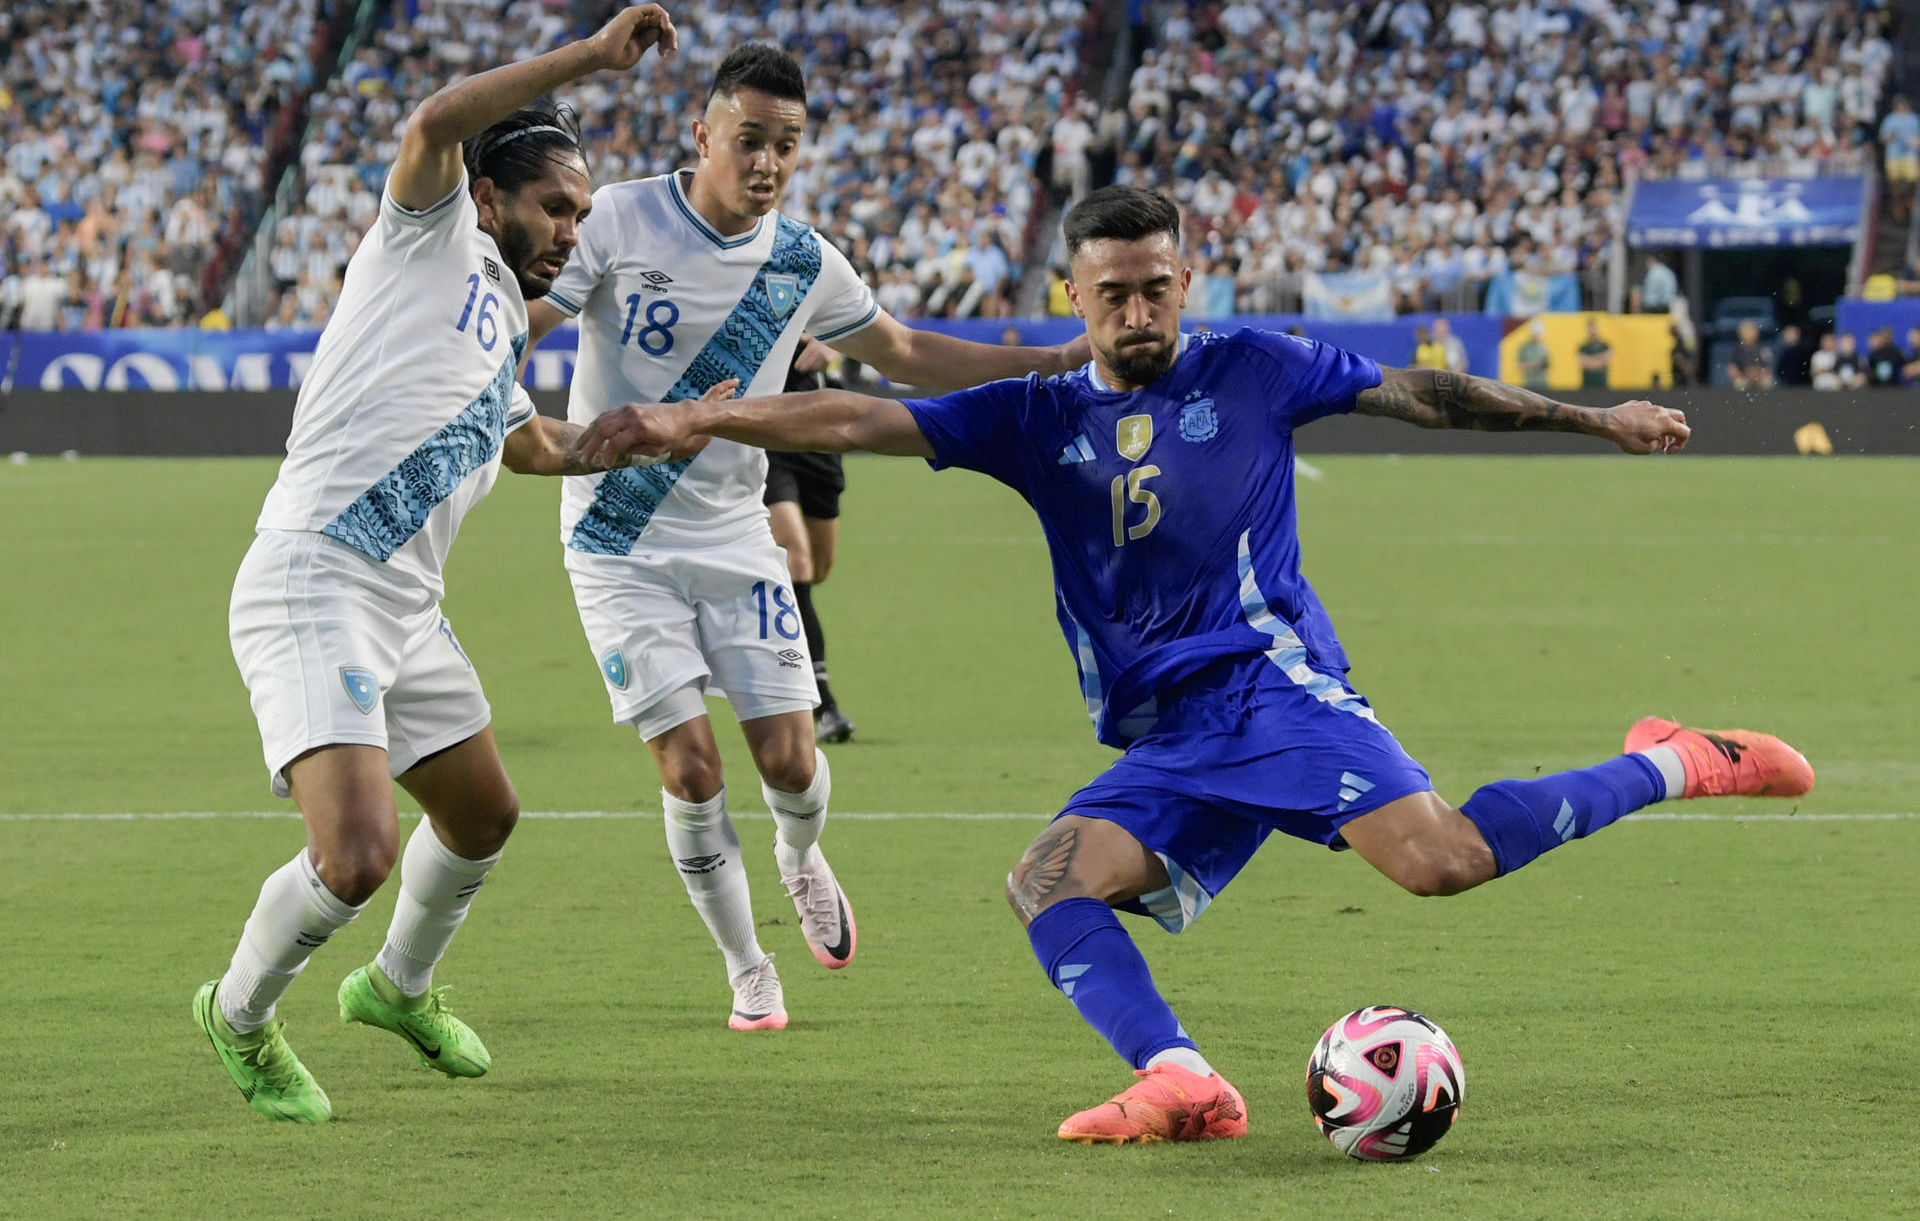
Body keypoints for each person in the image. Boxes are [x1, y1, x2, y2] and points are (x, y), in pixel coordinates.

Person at [571, 185, 1815, 1144]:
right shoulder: (1032, 415)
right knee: (1047, 880)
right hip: (1168, 730)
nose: (1137, 311)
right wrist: (700, 415)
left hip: (1272, 689)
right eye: (1112, 293)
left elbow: (1424, 392)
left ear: (1186, 278)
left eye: (1156, 287)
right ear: (1073, 292)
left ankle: (1668, 761)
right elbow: (855, 418)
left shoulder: (1254, 367)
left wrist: (1592, 418)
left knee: (1442, 863)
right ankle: (1181, 1077)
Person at [524, 44, 1087, 1032]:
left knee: (788, 759)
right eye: (750, 140)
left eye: (787, 144)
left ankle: (797, 850)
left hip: (737, 531)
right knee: (690, 767)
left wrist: (1052, 361)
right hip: (616, 536)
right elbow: (534, 309)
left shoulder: (803, 261)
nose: (769, 163)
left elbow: (905, 351)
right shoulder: (616, 216)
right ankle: (748, 966)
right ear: (702, 135)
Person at [195, 6, 689, 1124]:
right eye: (555, 206)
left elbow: (536, 445)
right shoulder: (424, 234)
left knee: (482, 815)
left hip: (406, 606)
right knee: (358, 852)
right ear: (488, 196)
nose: (571, 230)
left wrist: (651, 428)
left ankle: (396, 987)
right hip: (318, 576)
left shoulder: (503, 323)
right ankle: (236, 1013)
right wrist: (589, 59)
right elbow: (432, 119)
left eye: (581, 214)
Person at [764, 332, 857, 743]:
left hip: (821, 434)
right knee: (795, 557)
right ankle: (822, 704)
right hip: (765, 434)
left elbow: (861, 321)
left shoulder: (819, 271)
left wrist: (837, 342)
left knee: (816, 569)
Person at [1726, 320, 1774, 390]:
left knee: (1768, 382)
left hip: (1759, 377)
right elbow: (1731, 368)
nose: (1751, 333)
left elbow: (1768, 367)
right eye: (1748, 331)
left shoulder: (1762, 349)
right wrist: (1744, 375)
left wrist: (1758, 375)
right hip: (1743, 377)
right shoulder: (1736, 350)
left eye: (1753, 331)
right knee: (1740, 384)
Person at [1576, 318, 1612, 388]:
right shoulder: (1583, 346)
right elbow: (1583, 362)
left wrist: (1590, 360)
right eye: (1590, 328)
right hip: (1587, 385)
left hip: (1602, 384)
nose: (1592, 330)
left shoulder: (1605, 345)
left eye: (1594, 328)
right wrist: (1599, 359)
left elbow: (1607, 359)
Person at [1516, 320, 1551, 388]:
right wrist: (1536, 364)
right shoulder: (1524, 348)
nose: (1536, 336)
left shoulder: (1544, 348)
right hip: (1529, 383)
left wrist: (1529, 365)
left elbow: (1547, 364)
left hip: (1542, 384)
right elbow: (1519, 366)